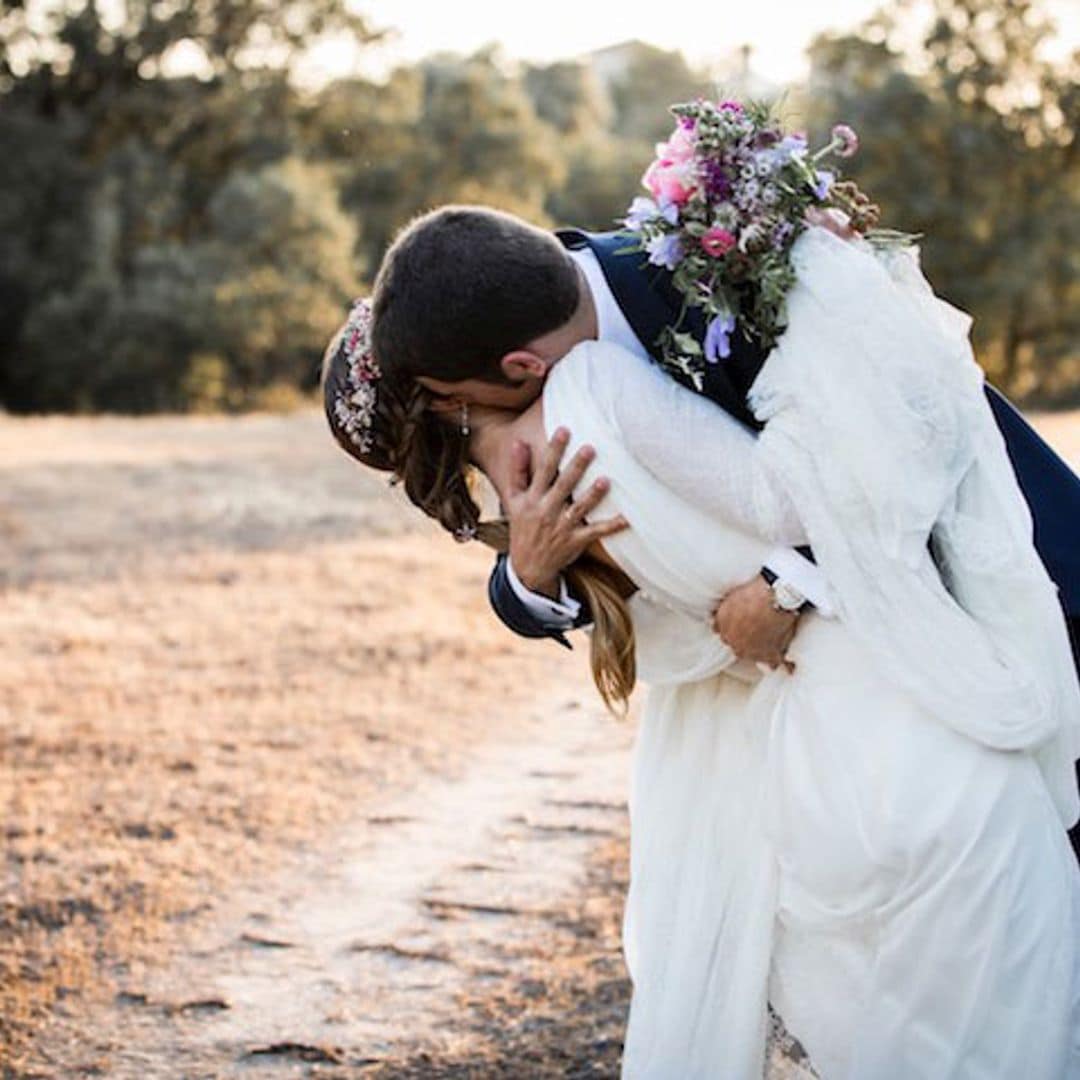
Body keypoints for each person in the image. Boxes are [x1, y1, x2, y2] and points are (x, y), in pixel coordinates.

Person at [322, 224, 1080, 1074]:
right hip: (812, 699)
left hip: (991, 563)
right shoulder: (531, 384)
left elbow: (894, 439)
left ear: (512, 372)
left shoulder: (711, 264)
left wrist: (785, 587)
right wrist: (532, 575)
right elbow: (547, 584)